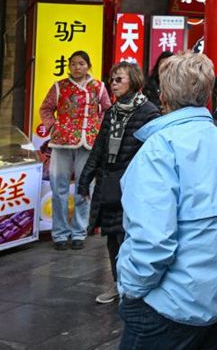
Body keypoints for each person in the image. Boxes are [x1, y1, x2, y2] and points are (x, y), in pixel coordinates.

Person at [116, 53, 217, 347]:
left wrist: (130, 287)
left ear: (163, 96)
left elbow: (153, 241)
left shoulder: (160, 149)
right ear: (208, 94)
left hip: (166, 303)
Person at [77, 62, 159, 304]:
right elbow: (99, 148)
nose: (113, 84)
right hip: (110, 182)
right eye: (112, 79)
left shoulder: (149, 112)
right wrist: (85, 180)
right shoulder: (113, 111)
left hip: (134, 185)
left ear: (133, 81)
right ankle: (117, 284)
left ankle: (132, 286)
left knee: (130, 237)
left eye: (119, 79)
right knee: (113, 236)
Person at [39, 50, 112, 251]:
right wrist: (53, 126)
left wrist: (98, 130)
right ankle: (60, 234)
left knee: (84, 188)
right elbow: (45, 108)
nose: (77, 67)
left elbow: (107, 109)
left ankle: (79, 232)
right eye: (73, 64)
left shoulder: (98, 86)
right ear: (69, 66)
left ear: (88, 65)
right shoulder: (59, 87)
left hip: (87, 143)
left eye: (81, 63)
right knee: (59, 188)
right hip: (61, 143)